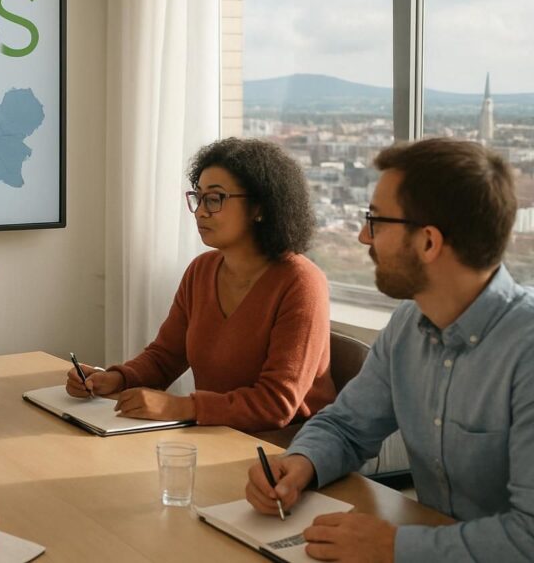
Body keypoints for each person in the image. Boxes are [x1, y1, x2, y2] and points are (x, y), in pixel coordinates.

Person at [246, 138, 534, 562]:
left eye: (376, 221)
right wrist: (302, 463)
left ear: (429, 243)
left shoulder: (525, 351)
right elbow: (346, 427)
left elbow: (528, 537)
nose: (364, 236)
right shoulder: (407, 326)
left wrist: (392, 546)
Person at [67, 138, 335, 433]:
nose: (200, 212)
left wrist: (181, 407)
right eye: (199, 197)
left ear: (259, 207)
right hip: (216, 433)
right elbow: (165, 357)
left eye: (215, 199)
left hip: (286, 447)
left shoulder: (301, 282)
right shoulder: (201, 270)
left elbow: (276, 404)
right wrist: (116, 379)